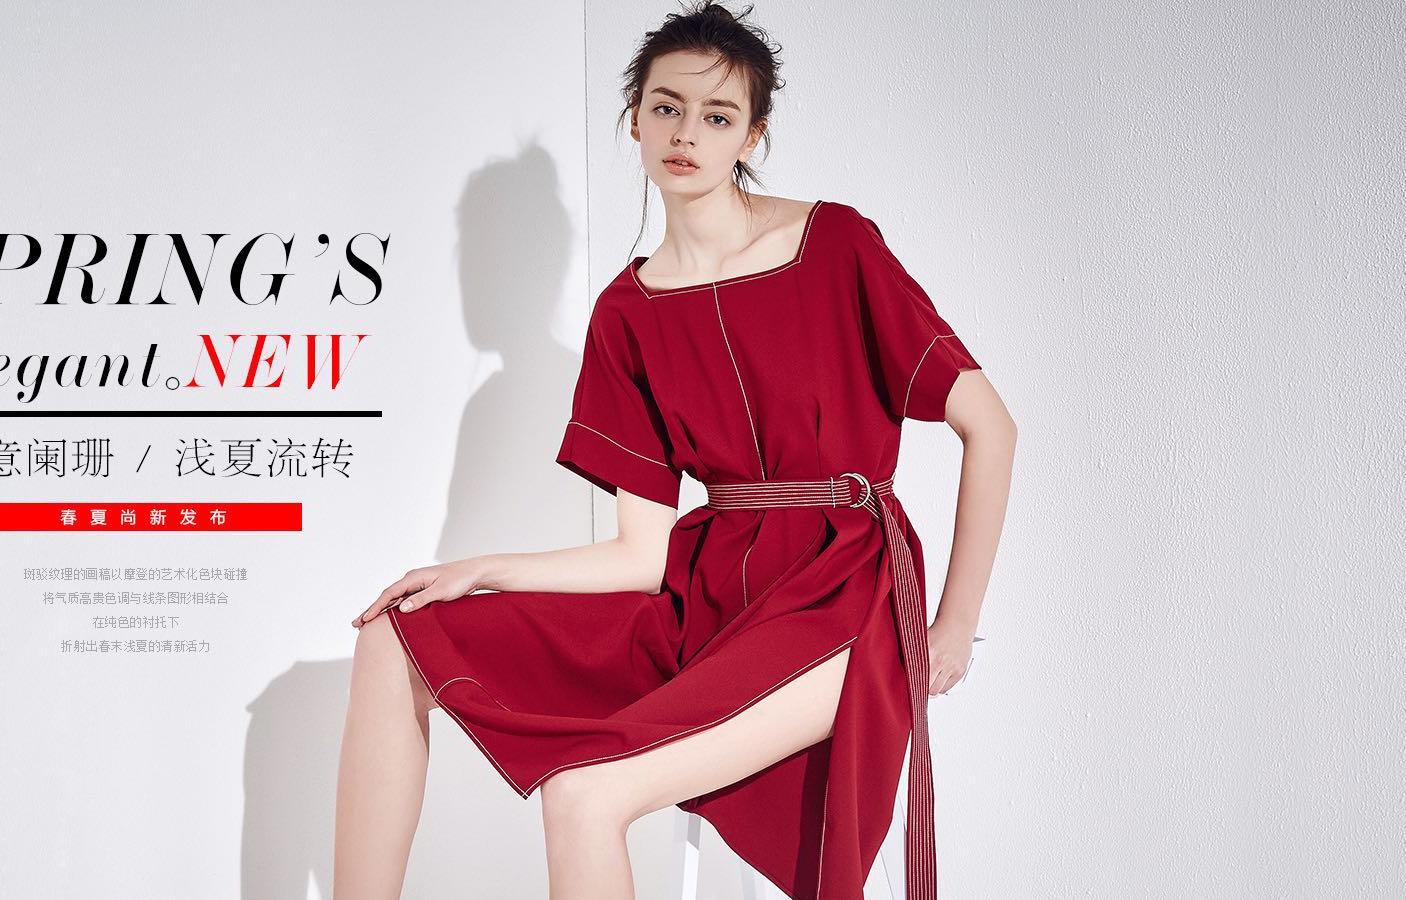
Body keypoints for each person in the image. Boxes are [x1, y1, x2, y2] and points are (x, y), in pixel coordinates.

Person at [332, 2, 1017, 898]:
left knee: (582, 796)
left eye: (717, 116)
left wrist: (952, 629)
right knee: (394, 640)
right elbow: (640, 555)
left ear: (751, 135)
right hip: (708, 602)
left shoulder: (835, 243)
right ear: (635, 119)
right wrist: (477, 571)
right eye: (666, 108)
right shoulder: (627, 311)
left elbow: (990, 426)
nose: (686, 133)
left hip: (844, 598)